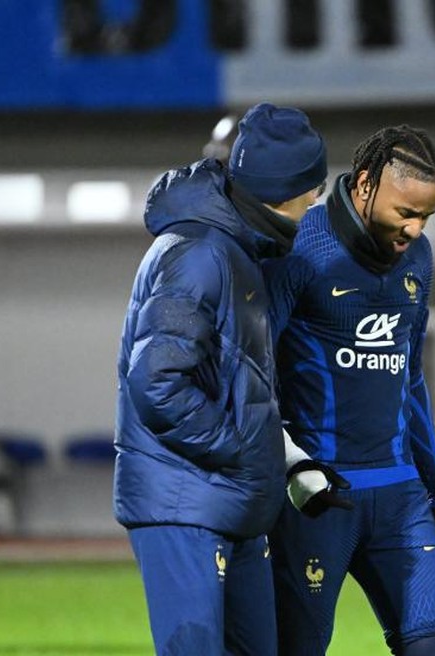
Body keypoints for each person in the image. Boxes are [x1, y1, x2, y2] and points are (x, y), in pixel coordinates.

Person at [114, 102, 331, 655]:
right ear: (281, 187)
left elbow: (241, 384)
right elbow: (157, 382)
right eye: (312, 187)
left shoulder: (237, 252)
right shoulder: (197, 253)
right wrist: (238, 446)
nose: (316, 201)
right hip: (188, 500)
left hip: (228, 500)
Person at [264, 125, 435, 656]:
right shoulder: (300, 248)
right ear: (366, 184)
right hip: (318, 500)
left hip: (401, 494)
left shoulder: (419, 259)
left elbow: (409, 377)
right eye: (406, 213)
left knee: (432, 645)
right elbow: (255, 371)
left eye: (427, 217)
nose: (416, 230)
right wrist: (288, 468)